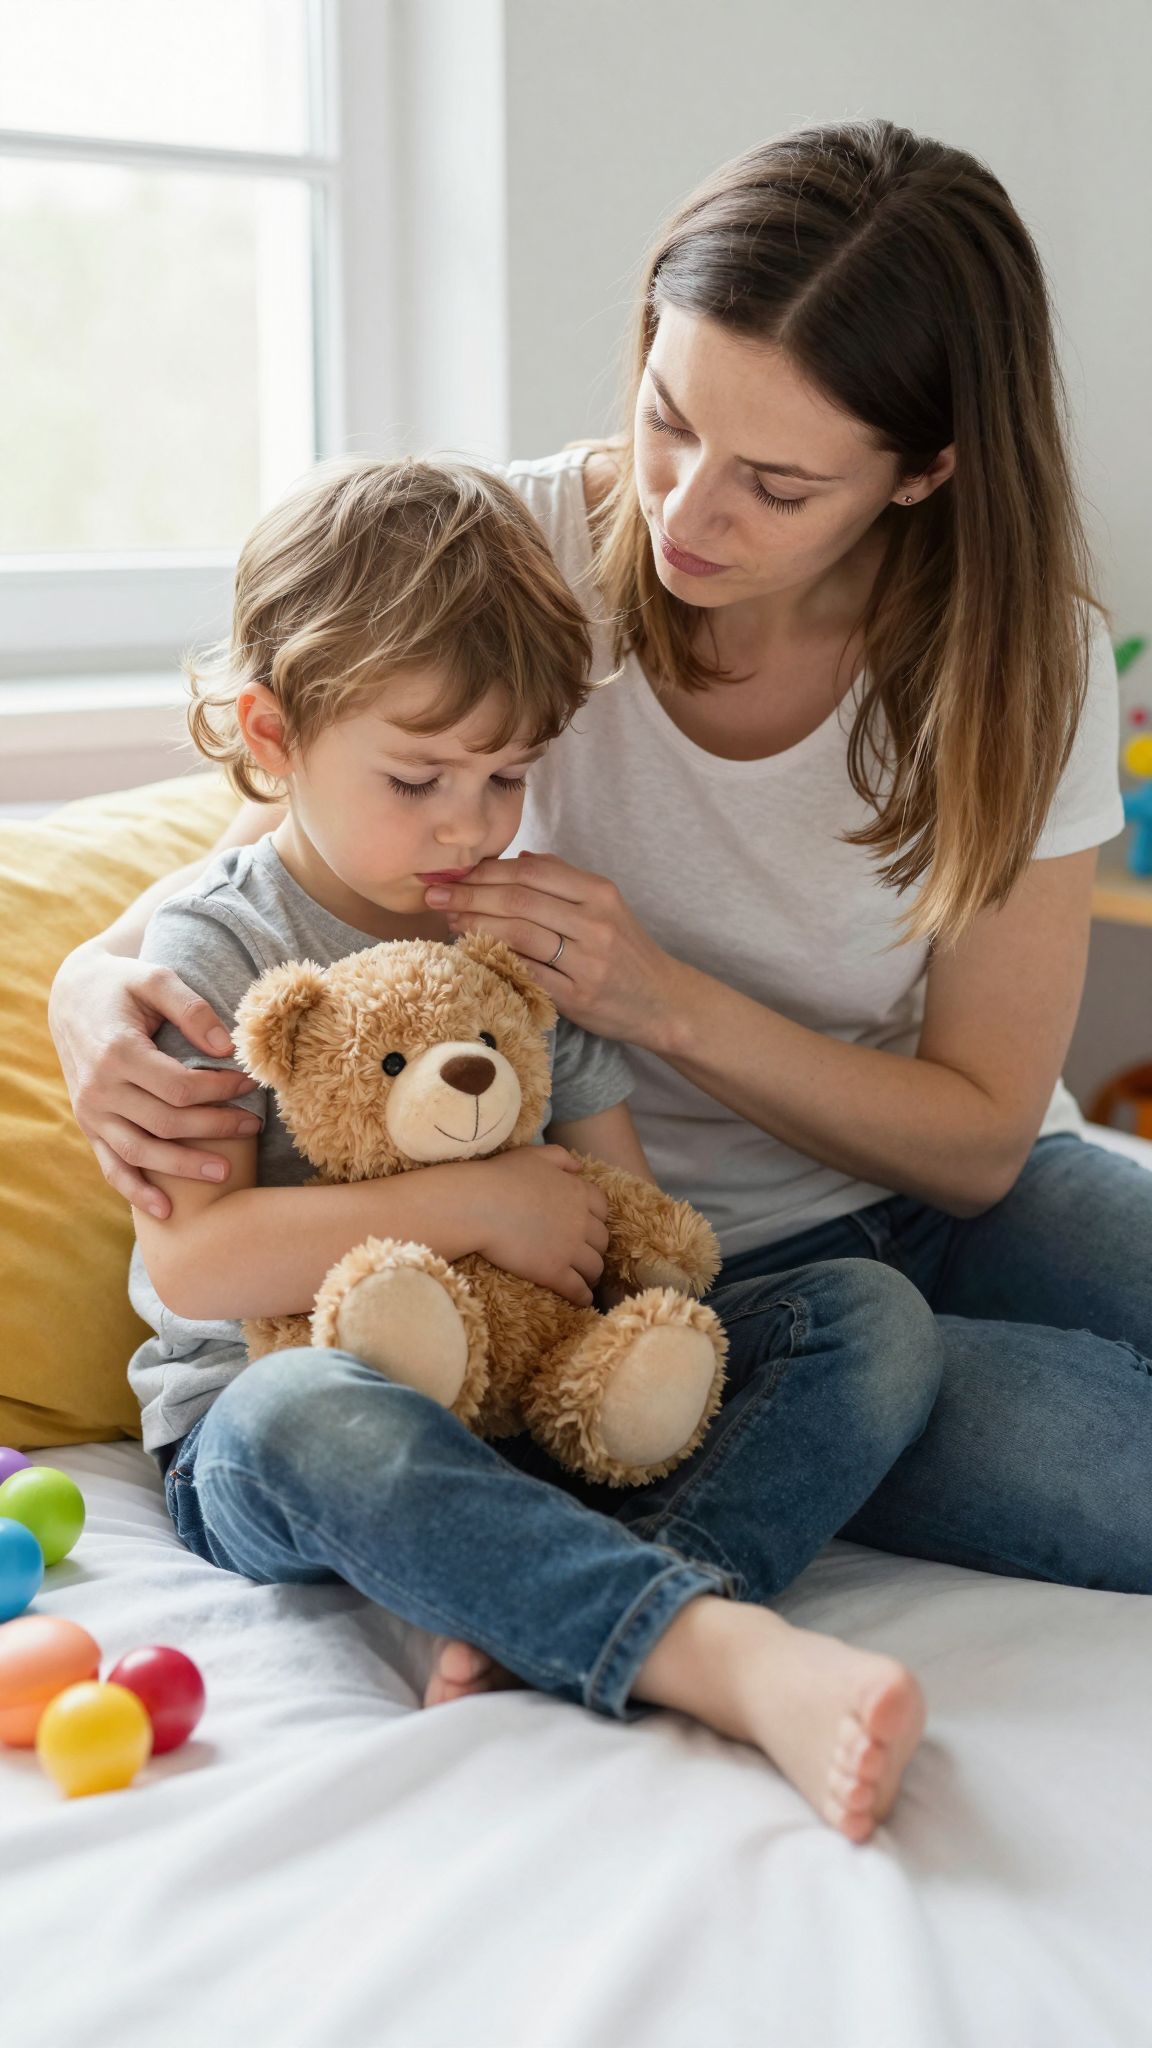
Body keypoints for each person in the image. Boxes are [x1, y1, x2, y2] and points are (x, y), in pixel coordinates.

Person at [48, 116, 1151, 1778]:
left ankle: (572, 1586)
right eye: (666, 419)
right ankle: (654, 1612)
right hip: (687, 1289)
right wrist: (83, 995)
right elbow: (283, 851)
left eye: (777, 484)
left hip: (898, 1204)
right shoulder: (508, 554)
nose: (688, 511)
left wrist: (664, 1006)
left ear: (921, 473)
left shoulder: (1024, 666)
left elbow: (989, 1134)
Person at [116, 452, 933, 1845]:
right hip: (276, 1422)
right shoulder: (222, 949)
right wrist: (481, 1202)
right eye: (419, 775)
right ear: (273, 735)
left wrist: (622, 1295)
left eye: (506, 775)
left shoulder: (513, 927)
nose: (468, 823)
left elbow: (625, 1210)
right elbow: (197, 1265)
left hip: (520, 1413)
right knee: (303, 1408)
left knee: (876, 1319)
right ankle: (707, 1651)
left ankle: (563, 1604)